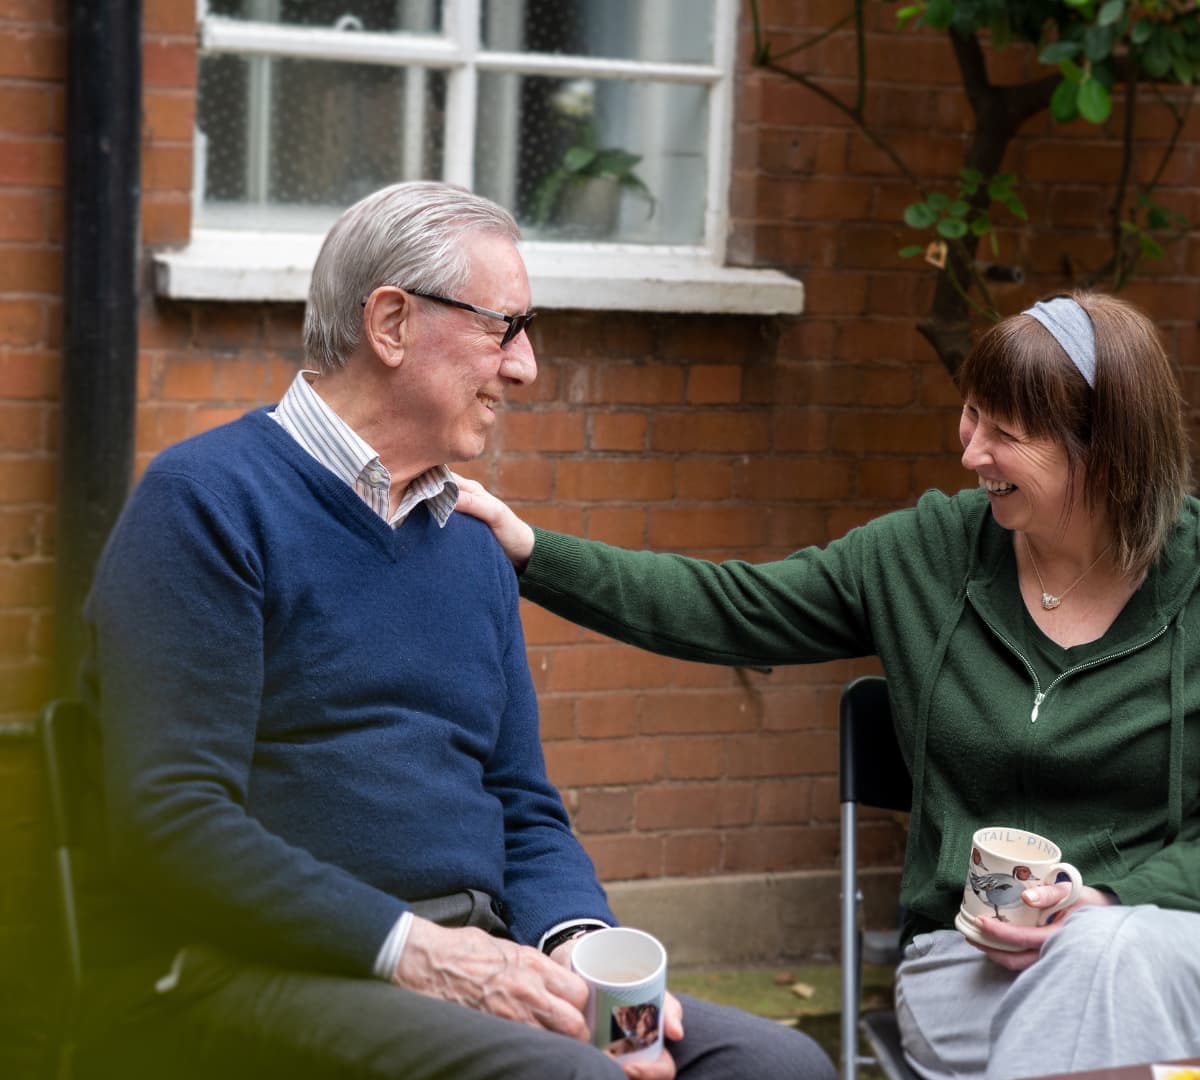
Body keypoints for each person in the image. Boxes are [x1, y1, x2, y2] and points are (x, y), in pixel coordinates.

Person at [78, 182, 835, 1080]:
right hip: (254, 972)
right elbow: (173, 822)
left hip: (469, 959)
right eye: (503, 327)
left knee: (772, 1064)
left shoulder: (469, 543)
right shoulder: (206, 505)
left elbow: (522, 805)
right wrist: (424, 955)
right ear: (391, 323)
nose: (526, 367)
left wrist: (574, 947)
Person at [455, 290, 1200, 1080]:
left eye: (1005, 434)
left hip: (1164, 937)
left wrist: (1108, 901)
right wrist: (531, 549)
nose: (971, 452)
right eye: (970, 416)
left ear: (1103, 452)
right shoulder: (927, 555)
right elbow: (733, 607)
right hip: (968, 969)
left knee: (1109, 957)